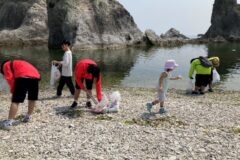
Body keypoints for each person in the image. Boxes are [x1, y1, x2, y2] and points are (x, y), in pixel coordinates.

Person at [0, 60, 41, 130]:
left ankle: (9, 122)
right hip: (35, 76)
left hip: (23, 76)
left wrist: (13, 91)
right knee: (32, 98)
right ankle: (28, 116)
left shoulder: (5, 65)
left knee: (16, 100)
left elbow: (10, 79)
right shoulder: (16, 62)